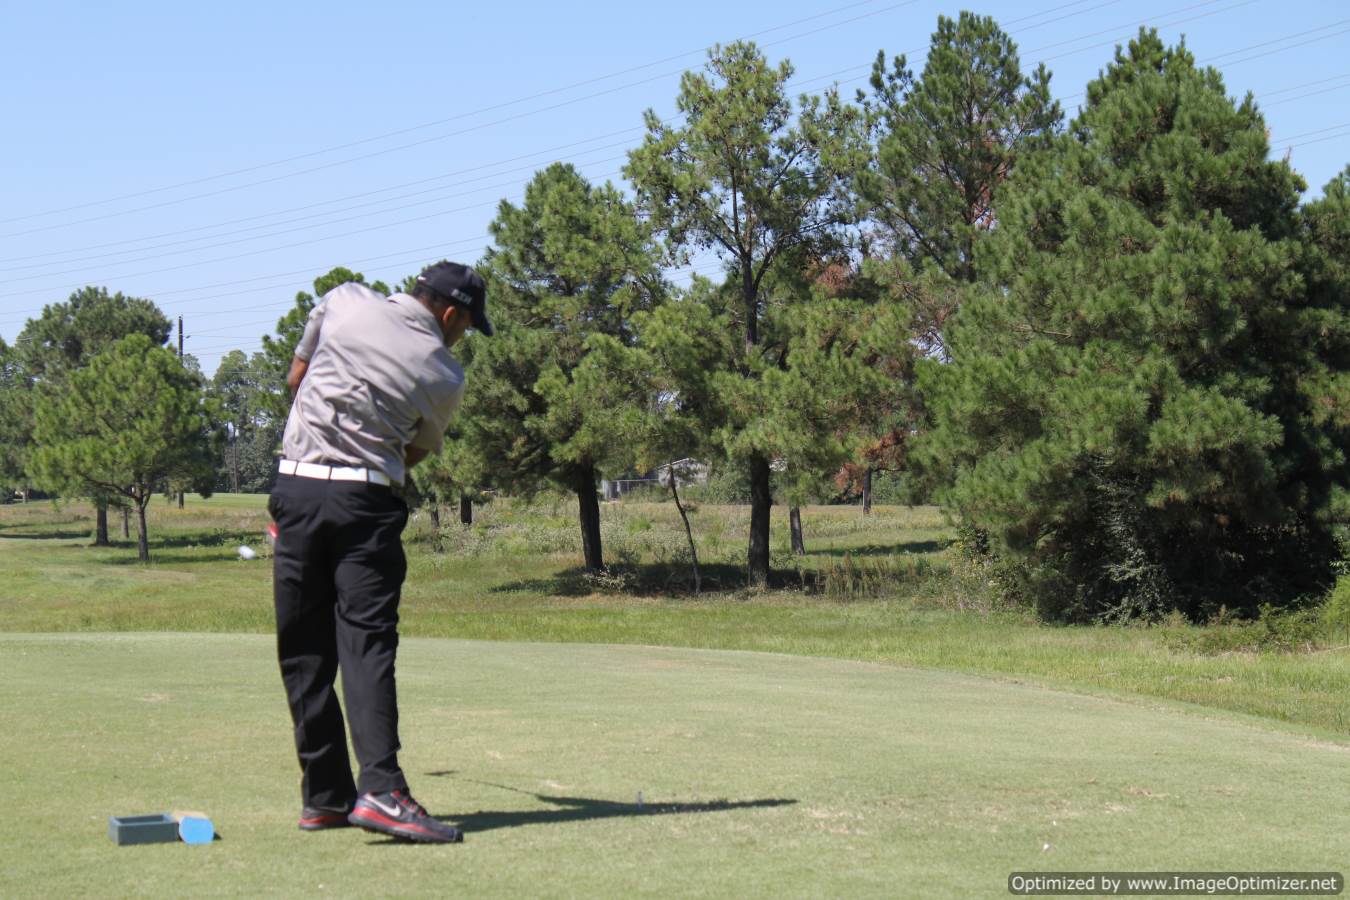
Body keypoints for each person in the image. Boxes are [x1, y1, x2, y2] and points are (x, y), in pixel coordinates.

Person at [268, 261, 492, 844]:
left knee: (304, 649)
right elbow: (411, 454)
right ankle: (382, 791)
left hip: (293, 488)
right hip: (364, 502)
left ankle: (324, 797)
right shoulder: (444, 373)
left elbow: (297, 378)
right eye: (468, 323)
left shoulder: (344, 300)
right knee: (364, 644)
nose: (464, 334)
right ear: (450, 313)